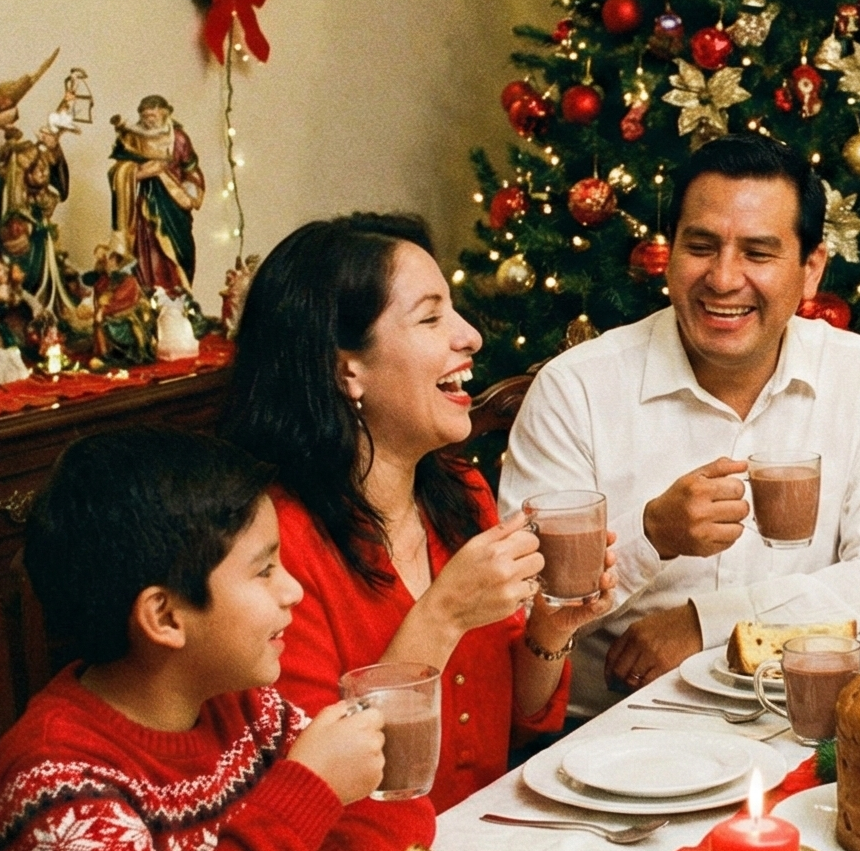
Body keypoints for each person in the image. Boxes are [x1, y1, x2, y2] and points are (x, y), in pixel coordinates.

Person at [498, 134, 860, 717]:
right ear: (670, 252)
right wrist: (650, 535)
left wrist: (709, 623)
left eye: (758, 253)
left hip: (799, 724)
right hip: (610, 737)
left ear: (811, 270)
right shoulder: (576, 388)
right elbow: (522, 607)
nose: (724, 279)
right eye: (701, 246)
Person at [0, 428, 392, 851]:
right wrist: (308, 792)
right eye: (264, 570)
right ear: (166, 618)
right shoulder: (50, 773)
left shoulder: (241, 707)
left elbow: (397, 819)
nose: (293, 590)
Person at [220, 214, 614, 809]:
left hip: (484, 837)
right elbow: (314, 797)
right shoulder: (273, 547)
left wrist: (552, 630)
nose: (470, 336)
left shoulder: (459, 492)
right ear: (345, 368)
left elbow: (523, 721)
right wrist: (443, 614)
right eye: (431, 318)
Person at [107, 95, 204, 297]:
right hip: (146, 207)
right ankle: (150, 294)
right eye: (145, 116)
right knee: (146, 250)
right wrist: (141, 173)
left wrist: (189, 193)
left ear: (164, 112)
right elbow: (117, 171)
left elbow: (191, 170)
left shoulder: (178, 138)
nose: (149, 120)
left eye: (153, 115)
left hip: (175, 207)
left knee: (181, 251)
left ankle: (179, 295)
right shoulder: (134, 138)